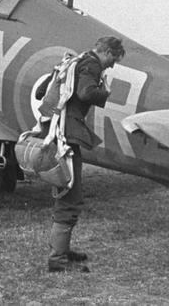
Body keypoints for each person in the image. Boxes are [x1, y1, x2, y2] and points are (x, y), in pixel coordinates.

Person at [43, 36, 125, 273]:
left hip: (57, 131)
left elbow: (41, 91)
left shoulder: (74, 61)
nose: (111, 66)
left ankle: (62, 251)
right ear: (107, 52)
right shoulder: (91, 65)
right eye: (113, 60)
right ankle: (57, 259)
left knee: (67, 191)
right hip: (67, 136)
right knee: (70, 194)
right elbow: (87, 93)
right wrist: (105, 92)